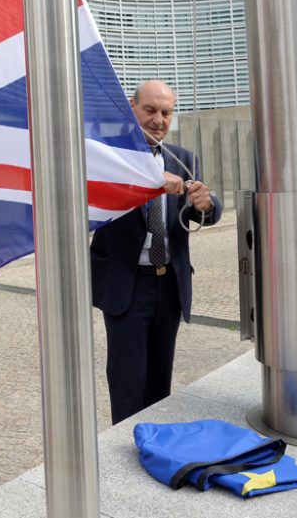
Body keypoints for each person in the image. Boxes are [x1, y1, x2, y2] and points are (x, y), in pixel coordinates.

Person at [90, 80, 222, 425]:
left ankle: (155, 442)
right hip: (127, 285)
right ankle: (126, 440)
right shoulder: (108, 155)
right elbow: (91, 197)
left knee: (160, 378)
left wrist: (205, 204)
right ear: (132, 109)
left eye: (166, 112)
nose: (158, 119)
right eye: (150, 110)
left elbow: (205, 210)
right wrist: (147, 182)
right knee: (127, 378)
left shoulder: (185, 158)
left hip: (170, 284)